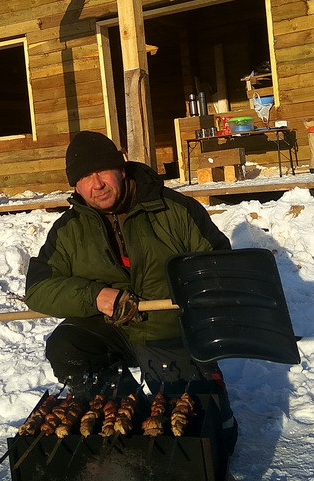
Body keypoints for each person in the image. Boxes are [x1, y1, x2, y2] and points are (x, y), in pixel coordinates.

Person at [24, 130, 237, 455]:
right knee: (68, 345)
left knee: (208, 427)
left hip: (169, 330)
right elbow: (38, 289)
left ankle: (213, 402)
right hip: (110, 329)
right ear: (75, 186)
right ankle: (119, 404)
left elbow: (219, 265)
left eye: (101, 171)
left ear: (121, 169)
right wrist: (95, 296)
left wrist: (191, 298)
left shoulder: (174, 210)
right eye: (84, 177)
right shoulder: (69, 229)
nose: (96, 184)